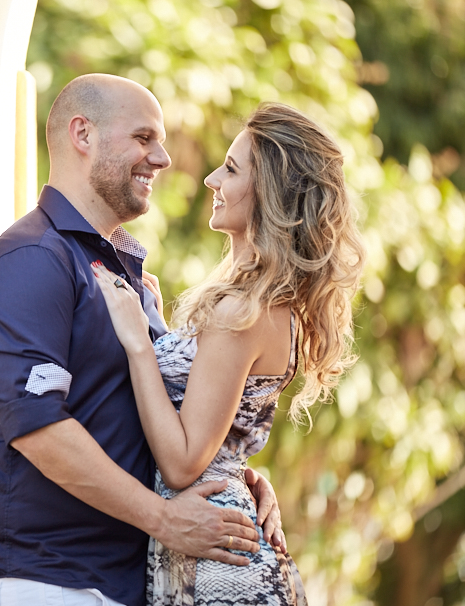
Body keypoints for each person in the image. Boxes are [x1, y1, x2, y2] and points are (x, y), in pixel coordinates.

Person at [0, 74, 285, 606]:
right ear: (82, 135)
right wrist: (164, 519)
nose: (163, 158)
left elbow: (145, 417)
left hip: (128, 580)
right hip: (47, 580)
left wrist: (235, 479)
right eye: (143, 138)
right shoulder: (30, 258)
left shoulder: (125, 276)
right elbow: (35, 425)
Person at [91, 102, 365, 605]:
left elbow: (182, 462)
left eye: (233, 169)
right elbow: (220, 431)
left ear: (272, 195)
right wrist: (157, 326)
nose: (212, 179)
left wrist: (138, 343)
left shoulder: (242, 309)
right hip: (217, 534)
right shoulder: (266, 305)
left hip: (219, 562)